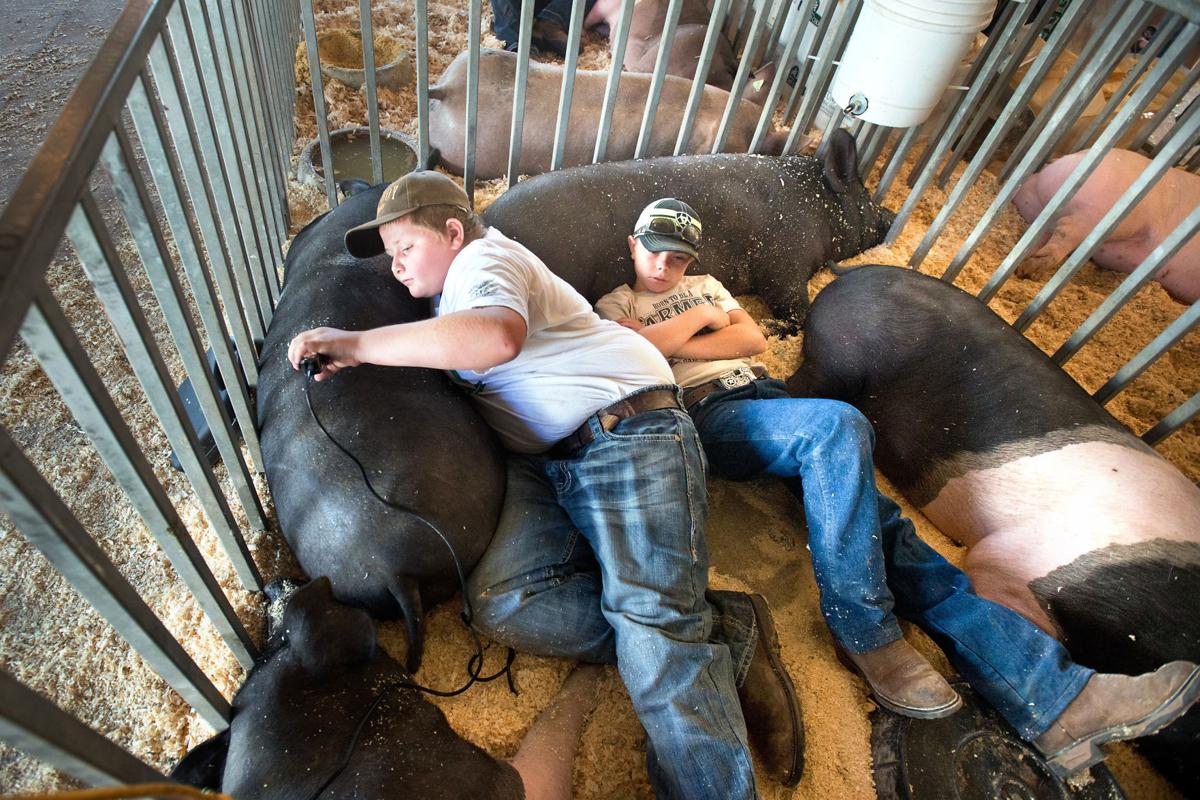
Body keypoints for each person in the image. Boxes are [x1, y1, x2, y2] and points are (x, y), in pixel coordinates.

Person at [594, 197, 1200, 777]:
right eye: (655, 254)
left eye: (677, 259)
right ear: (633, 246)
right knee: (836, 425)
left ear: (693, 261)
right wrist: (703, 321)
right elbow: (641, 350)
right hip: (706, 418)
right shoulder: (614, 302)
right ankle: (862, 629)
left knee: (892, 535)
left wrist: (692, 329)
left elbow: (751, 343)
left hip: (769, 399)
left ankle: (1055, 697)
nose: (664, 268)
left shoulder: (704, 288)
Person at [288, 172, 805, 797]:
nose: (396, 268)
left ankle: (675, 647)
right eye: (391, 256)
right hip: (546, 462)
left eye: (405, 249)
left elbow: (496, 337)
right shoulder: (447, 300)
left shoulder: (485, 259)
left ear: (452, 232)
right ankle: (718, 624)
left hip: (626, 430)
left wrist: (357, 343)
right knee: (506, 601)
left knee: (651, 622)